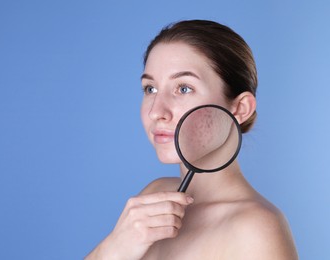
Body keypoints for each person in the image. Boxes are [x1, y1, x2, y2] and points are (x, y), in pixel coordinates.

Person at [86, 20, 298, 259]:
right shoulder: (154, 196)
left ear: (240, 108)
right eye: (150, 89)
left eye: (184, 88)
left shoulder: (257, 228)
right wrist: (115, 247)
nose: (157, 111)